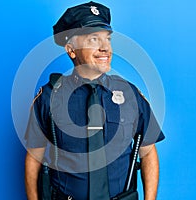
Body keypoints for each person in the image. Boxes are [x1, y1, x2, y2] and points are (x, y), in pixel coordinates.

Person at [24, 1, 165, 200]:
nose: (105, 48)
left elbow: (148, 151)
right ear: (71, 50)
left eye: (107, 39)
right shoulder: (49, 97)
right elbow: (34, 158)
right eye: (93, 40)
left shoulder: (130, 94)